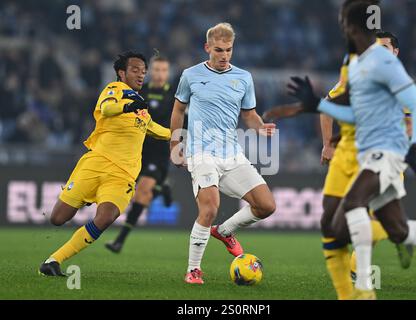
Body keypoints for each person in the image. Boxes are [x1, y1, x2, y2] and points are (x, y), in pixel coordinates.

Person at [288, 1, 416, 299]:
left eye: (385, 47)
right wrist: (321, 115)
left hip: (388, 155)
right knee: (396, 229)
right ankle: (377, 265)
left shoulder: (392, 73)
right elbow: (343, 111)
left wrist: (413, 146)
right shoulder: (360, 71)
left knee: (354, 207)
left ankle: (362, 285)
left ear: (395, 52)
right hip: (364, 156)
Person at [39, 51, 171, 276]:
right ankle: (85, 199)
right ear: (122, 73)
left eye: (144, 72)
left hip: (122, 176)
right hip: (95, 164)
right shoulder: (113, 90)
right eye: (135, 70)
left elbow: (157, 130)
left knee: (106, 217)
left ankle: (53, 261)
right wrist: (128, 106)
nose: (141, 75)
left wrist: (181, 135)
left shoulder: (141, 107)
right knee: (58, 218)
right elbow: (109, 108)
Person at [170, 22, 277, 284]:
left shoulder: (243, 78)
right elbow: (178, 111)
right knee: (210, 207)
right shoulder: (190, 75)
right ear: (207, 48)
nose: (224, 55)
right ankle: (193, 269)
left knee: (266, 206)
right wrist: (175, 145)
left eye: (228, 50)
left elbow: (249, 115)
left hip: (231, 154)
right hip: (200, 152)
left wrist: (260, 127)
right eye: (218, 50)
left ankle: (225, 231)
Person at [105, 55, 177, 253]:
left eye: (164, 70)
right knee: (132, 192)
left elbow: (180, 124)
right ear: (150, 71)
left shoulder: (175, 96)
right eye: (157, 70)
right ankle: (162, 188)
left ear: (168, 73)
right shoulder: (139, 92)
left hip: (160, 153)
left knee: (143, 190)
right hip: (136, 150)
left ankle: (120, 240)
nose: (160, 74)